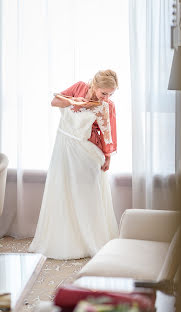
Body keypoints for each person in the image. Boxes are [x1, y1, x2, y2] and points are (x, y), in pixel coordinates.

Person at [28, 69, 119, 260]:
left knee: (85, 194)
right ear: (94, 85)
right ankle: (68, 239)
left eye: (111, 94)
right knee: (63, 190)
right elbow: (55, 101)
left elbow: (108, 133)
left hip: (87, 151)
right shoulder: (79, 87)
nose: (107, 97)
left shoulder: (106, 106)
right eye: (104, 93)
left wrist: (108, 156)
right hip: (63, 147)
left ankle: (89, 238)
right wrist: (74, 101)